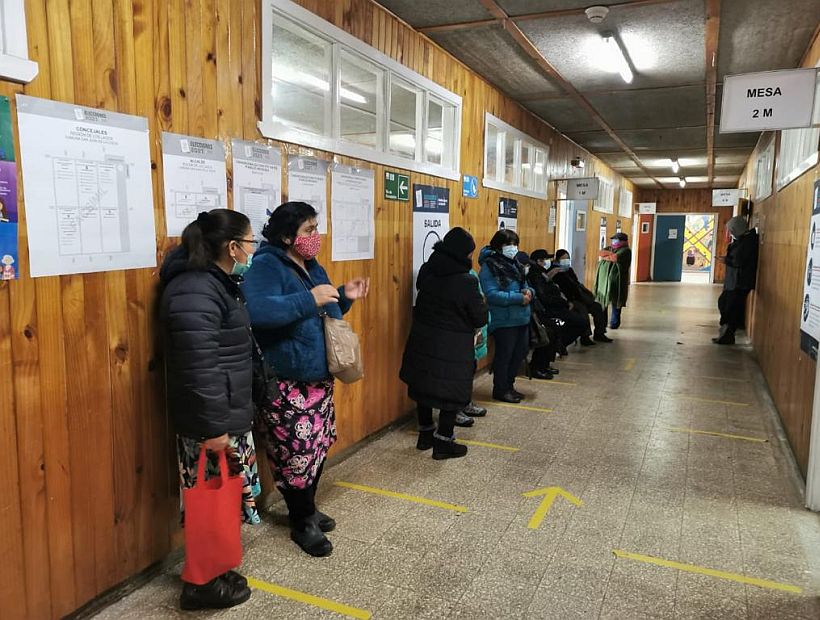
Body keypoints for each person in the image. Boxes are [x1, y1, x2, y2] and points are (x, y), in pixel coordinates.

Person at [242, 202, 369, 557]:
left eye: (316, 228)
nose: (316, 237)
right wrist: (307, 298)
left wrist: (345, 296)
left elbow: (326, 307)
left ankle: (307, 508)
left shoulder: (311, 264)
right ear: (286, 236)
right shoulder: (266, 264)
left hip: (317, 378)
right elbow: (256, 311)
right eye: (308, 230)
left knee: (316, 448)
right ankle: (302, 522)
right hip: (286, 380)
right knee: (294, 455)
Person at [159, 209, 258, 611]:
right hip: (210, 421)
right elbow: (198, 367)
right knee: (207, 505)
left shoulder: (216, 283)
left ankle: (215, 569)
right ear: (231, 247)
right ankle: (199, 585)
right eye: (250, 242)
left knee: (222, 501)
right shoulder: (195, 289)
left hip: (223, 413)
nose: (253, 249)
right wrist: (214, 427)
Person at [400, 228, 488, 459]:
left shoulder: (428, 271)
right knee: (450, 391)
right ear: (463, 254)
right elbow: (480, 317)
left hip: (423, 339)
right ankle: (443, 442)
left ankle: (425, 434)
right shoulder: (466, 281)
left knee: (424, 387)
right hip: (453, 345)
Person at [479, 229, 533, 403]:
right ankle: (500, 389)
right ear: (498, 246)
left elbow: (527, 285)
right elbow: (492, 294)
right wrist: (519, 298)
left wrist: (529, 292)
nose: (512, 248)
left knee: (520, 353)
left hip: (522, 317)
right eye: (508, 244)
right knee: (505, 356)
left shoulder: (515, 263)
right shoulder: (489, 266)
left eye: (515, 244)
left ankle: (509, 386)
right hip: (503, 320)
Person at [524, 251, 587, 376]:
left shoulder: (543, 273)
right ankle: (539, 366)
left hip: (554, 307)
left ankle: (545, 363)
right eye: (545, 259)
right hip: (548, 310)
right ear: (538, 261)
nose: (548, 261)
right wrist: (563, 303)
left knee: (571, 322)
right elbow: (544, 296)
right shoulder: (536, 274)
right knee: (552, 330)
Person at [546, 249, 612, 343]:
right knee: (582, 310)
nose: (566, 261)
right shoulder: (552, 271)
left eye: (568, 259)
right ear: (557, 260)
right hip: (569, 299)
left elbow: (576, 283)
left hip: (579, 297)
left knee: (597, 307)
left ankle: (599, 333)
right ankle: (585, 336)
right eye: (563, 259)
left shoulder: (569, 270)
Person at [714, 216, 759, 345]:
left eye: (731, 230)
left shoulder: (747, 242)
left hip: (740, 282)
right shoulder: (742, 240)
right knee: (724, 303)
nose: (730, 233)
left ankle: (727, 335)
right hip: (735, 281)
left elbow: (739, 261)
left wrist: (725, 260)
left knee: (731, 308)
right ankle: (725, 333)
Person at [594, 232, 632, 329]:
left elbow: (615, 258)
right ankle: (603, 322)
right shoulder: (611, 248)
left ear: (623, 241)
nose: (614, 242)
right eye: (614, 239)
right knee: (603, 301)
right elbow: (601, 252)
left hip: (617, 281)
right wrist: (609, 255)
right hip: (605, 281)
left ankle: (614, 323)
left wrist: (609, 256)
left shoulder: (626, 251)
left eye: (617, 240)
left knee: (616, 301)